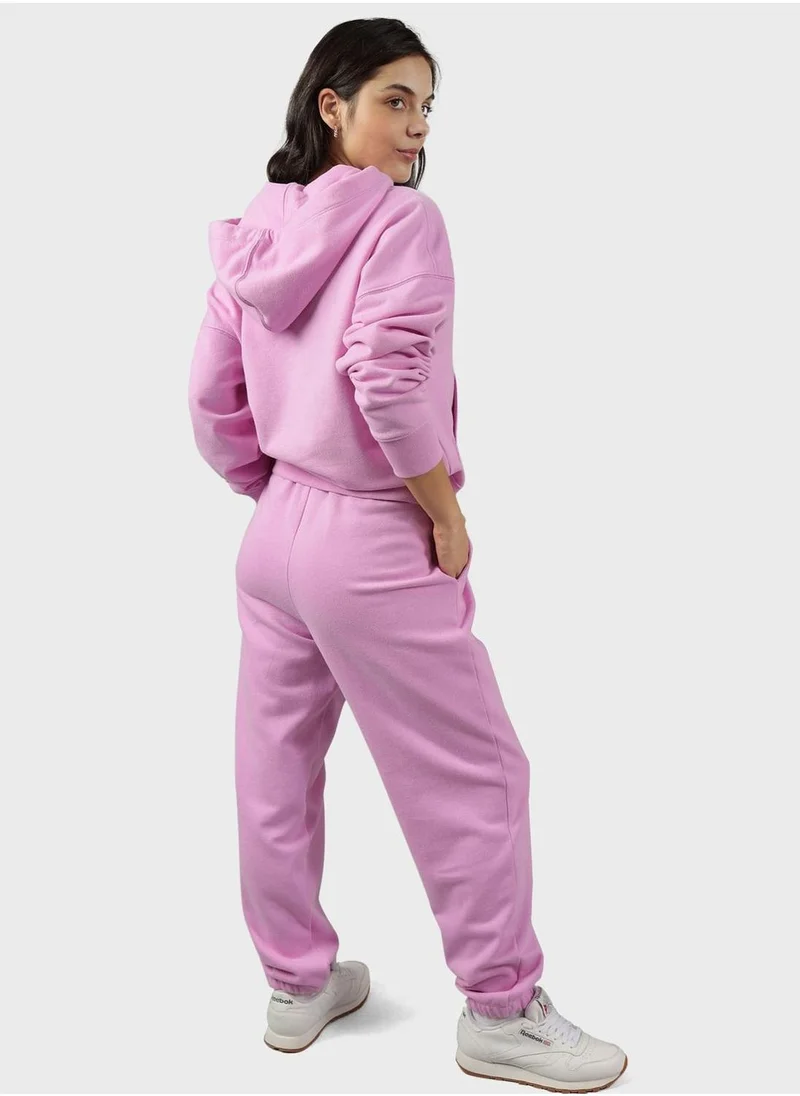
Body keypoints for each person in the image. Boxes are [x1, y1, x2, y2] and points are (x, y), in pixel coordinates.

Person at [187, 17, 628, 1092]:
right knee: (474, 770)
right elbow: (384, 380)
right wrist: (440, 514)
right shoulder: (402, 223)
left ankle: (296, 984)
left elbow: (208, 396)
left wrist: (273, 492)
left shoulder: (256, 230)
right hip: (371, 534)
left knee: (273, 768)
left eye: (426, 105)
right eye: (394, 99)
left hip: (274, 535)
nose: (417, 124)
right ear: (330, 103)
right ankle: (501, 1010)